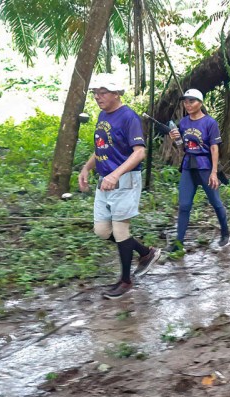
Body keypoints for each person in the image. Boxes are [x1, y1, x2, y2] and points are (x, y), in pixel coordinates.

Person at [78, 74, 161, 299]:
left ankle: (125, 281)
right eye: (95, 93)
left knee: (121, 230)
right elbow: (101, 147)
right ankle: (145, 253)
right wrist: (86, 168)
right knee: (102, 231)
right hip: (105, 180)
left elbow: (139, 152)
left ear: (116, 94)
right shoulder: (102, 115)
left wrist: (116, 174)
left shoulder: (128, 117)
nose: (98, 97)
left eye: (103, 92)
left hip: (124, 180)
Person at [166, 88, 230, 253]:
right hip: (189, 166)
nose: (187, 104)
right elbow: (182, 146)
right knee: (184, 205)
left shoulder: (210, 123)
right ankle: (179, 243)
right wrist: (176, 139)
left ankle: (225, 233)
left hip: (205, 166)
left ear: (200, 103)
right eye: (185, 102)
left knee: (215, 202)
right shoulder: (183, 122)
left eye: (191, 101)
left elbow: (214, 148)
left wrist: (214, 172)